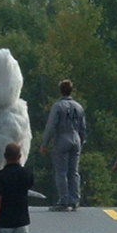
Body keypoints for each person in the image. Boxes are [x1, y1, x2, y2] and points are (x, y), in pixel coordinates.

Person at [40, 79, 87, 212]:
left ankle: (64, 199)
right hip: (76, 138)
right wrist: (82, 142)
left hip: (62, 137)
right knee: (74, 172)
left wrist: (45, 143)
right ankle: (75, 199)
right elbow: (83, 128)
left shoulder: (58, 106)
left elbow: (51, 126)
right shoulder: (78, 107)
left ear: (60, 90)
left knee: (61, 171)